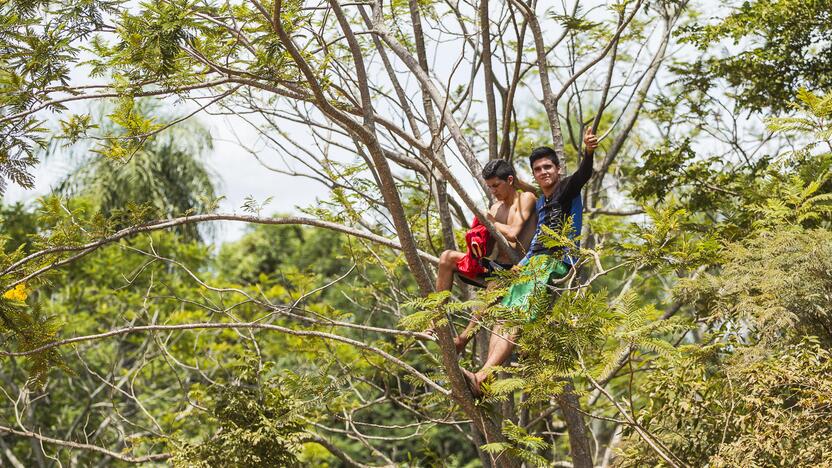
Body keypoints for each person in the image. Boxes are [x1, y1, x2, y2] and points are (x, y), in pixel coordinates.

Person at [460, 127, 599, 398]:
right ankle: (484, 378)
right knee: (502, 311)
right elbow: (527, 187)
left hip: (555, 261)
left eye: (548, 167)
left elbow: (584, 173)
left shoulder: (567, 190)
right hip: (532, 262)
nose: (544, 171)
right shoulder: (541, 199)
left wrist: (589, 152)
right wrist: (513, 181)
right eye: (538, 169)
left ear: (558, 169)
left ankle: (482, 375)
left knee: (516, 314)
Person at [433, 160, 537, 297]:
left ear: (510, 180)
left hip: (518, 269)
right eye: (489, 187)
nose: (493, 191)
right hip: (495, 267)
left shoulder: (526, 198)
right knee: (447, 257)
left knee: (479, 317)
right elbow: (486, 252)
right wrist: (477, 238)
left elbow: (513, 233)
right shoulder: (494, 209)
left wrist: (490, 222)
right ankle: (437, 314)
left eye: (496, 185)